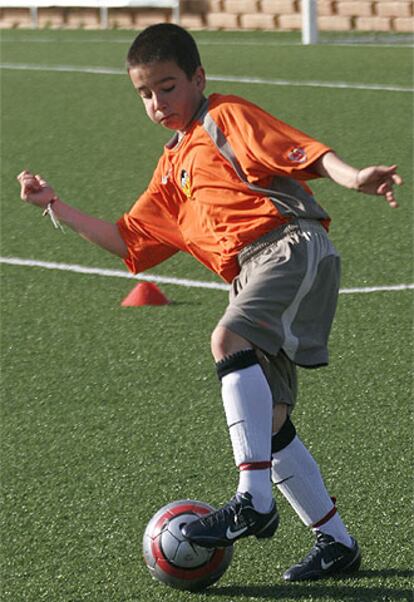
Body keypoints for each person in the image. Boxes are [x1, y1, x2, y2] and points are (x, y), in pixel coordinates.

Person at [17, 23, 402, 582]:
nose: (157, 102)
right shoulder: (172, 166)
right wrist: (57, 206)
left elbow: (304, 154)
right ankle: (336, 543)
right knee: (267, 422)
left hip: (288, 245)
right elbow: (131, 242)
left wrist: (353, 177)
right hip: (250, 274)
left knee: (226, 339)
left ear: (198, 78)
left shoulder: (224, 116)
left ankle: (253, 500)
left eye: (168, 87)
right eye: (145, 94)